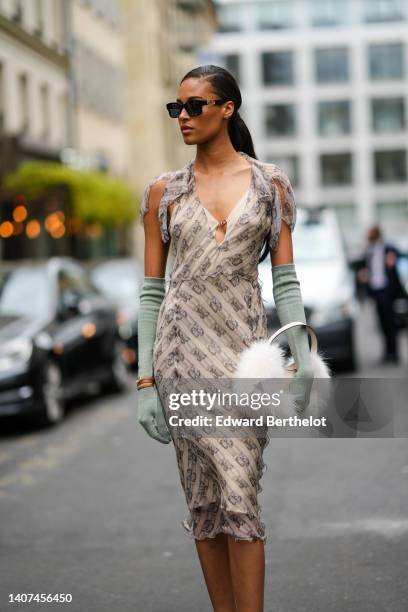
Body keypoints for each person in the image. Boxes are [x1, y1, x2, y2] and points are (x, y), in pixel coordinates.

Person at [136, 65, 313, 612]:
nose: (182, 117)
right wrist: (146, 380)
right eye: (177, 109)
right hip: (181, 360)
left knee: (241, 493)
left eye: (194, 106)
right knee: (205, 504)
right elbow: (150, 292)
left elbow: (284, 278)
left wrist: (303, 357)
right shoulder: (164, 192)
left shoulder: (268, 184)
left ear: (227, 109)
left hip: (244, 361)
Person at [357, 225, 406, 364]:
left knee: (391, 323)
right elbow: (362, 267)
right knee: (382, 323)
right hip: (376, 291)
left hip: (388, 291)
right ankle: (387, 353)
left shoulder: (389, 248)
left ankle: (395, 353)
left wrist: (394, 258)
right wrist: (363, 274)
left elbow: (402, 256)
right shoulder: (369, 251)